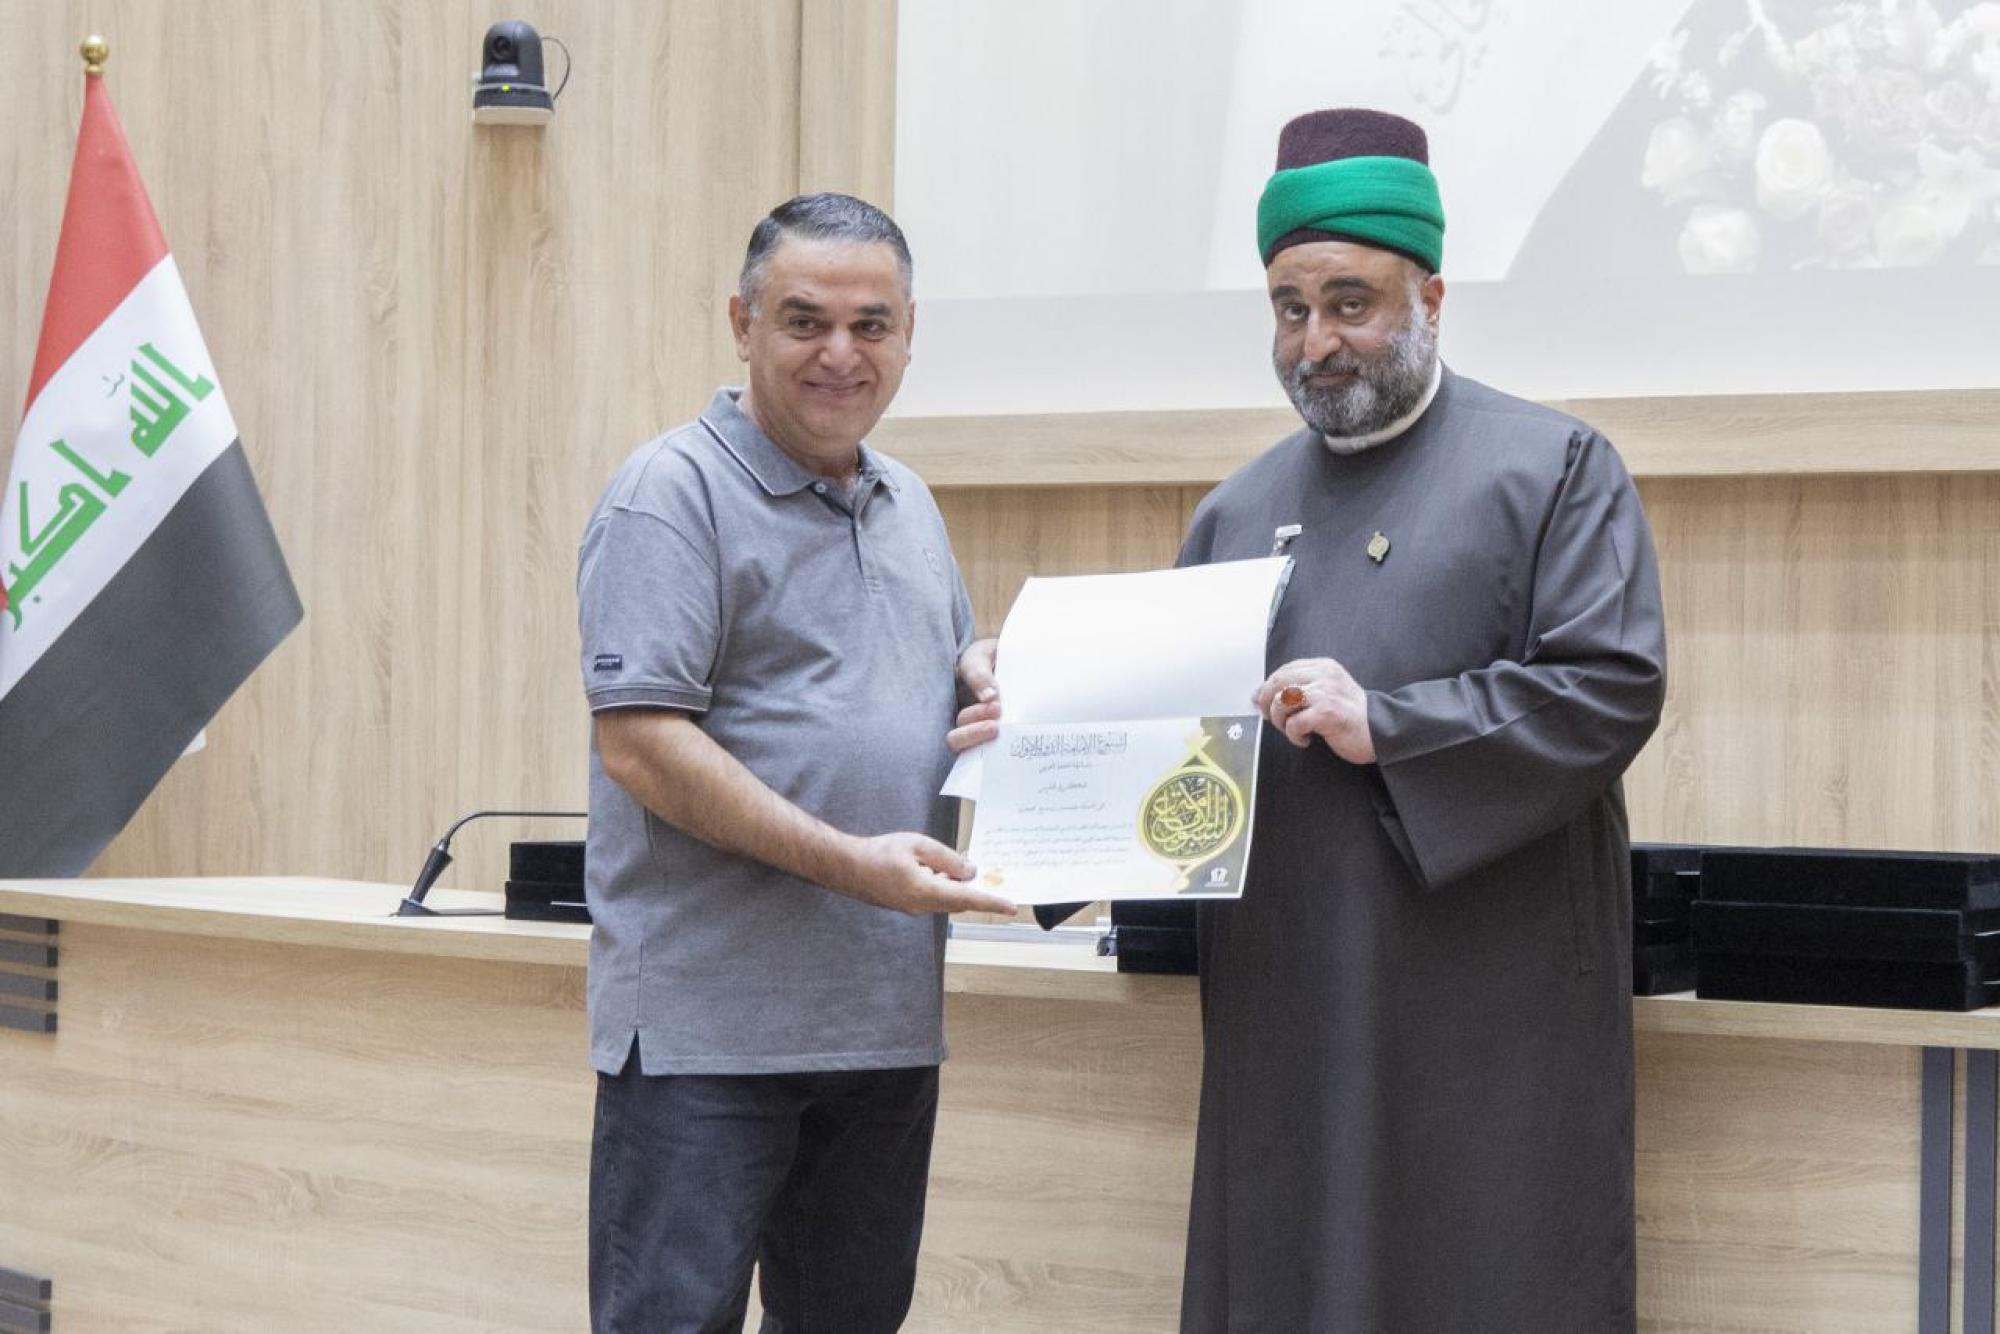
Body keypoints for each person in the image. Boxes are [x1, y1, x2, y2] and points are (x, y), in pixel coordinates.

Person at [952, 108, 1667, 1331]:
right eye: (1289, 309)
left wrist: (1384, 721)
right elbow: (1168, 756)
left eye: (1350, 303)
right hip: (1284, 1006)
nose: (1315, 341)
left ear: (1429, 297)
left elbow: (1607, 684)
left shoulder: (1551, 467)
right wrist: (1033, 728)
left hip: (1481, 1011)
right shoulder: (1236, 511)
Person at [577, 191, 1012, 1334]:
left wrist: (980, 672)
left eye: (871, 325)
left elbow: (907, 681)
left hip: (881, 1030)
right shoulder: (669, 494)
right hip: (705, 1044)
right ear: (742, 323)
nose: (839, 354)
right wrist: (852, 865)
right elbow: (641, 743)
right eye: (804, 320)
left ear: (908, 334)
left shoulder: (908, 502)